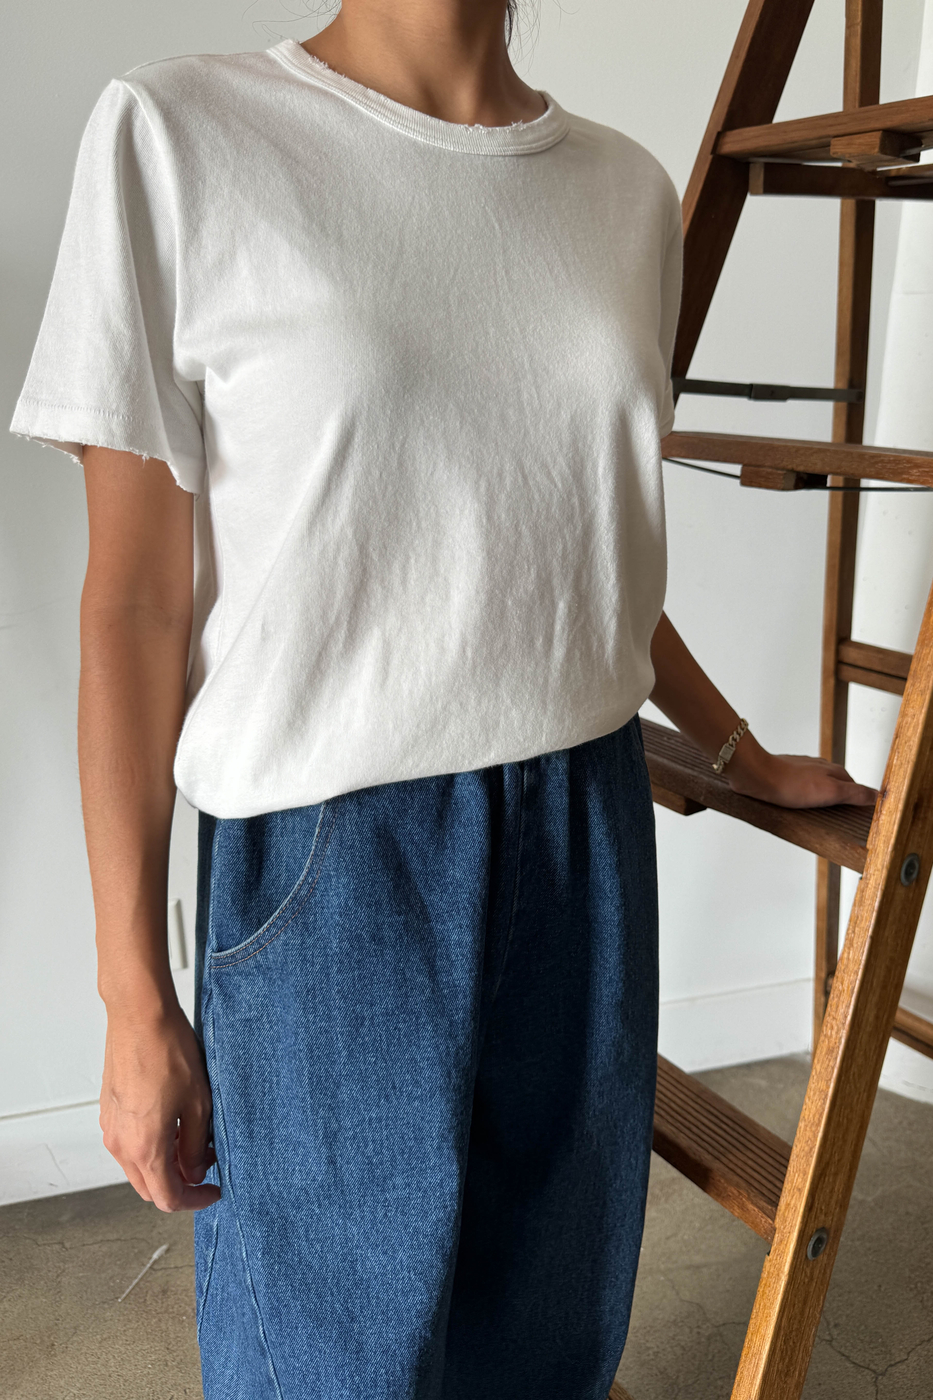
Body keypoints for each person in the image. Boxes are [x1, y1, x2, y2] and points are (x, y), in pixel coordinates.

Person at [9, 2, 876, 1396]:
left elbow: (573, 543)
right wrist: (132, 995)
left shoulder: (622, 190)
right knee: (328, 1365)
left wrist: (737, 751)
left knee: (551, 1335)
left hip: (586, 825)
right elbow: (134, 606)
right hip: (330, 861)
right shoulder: (181, 135)